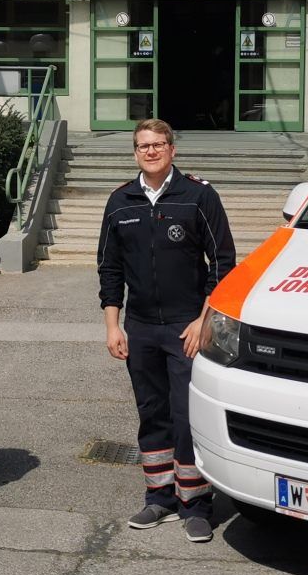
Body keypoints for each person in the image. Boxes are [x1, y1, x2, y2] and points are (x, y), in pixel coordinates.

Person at [97, 119, 236, 543]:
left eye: (159, 145)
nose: (151, 152)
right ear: (135, 152)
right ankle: (159, 497)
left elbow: (224, 263)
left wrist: (203, 320)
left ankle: (195, 503)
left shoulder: (198, 196)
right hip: (139, 329)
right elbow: (110, 269)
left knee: (184, 415)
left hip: (185, 329)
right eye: (143, 146)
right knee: (150, 412)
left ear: (172, 149)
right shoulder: (120, 202)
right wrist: (112, 326)